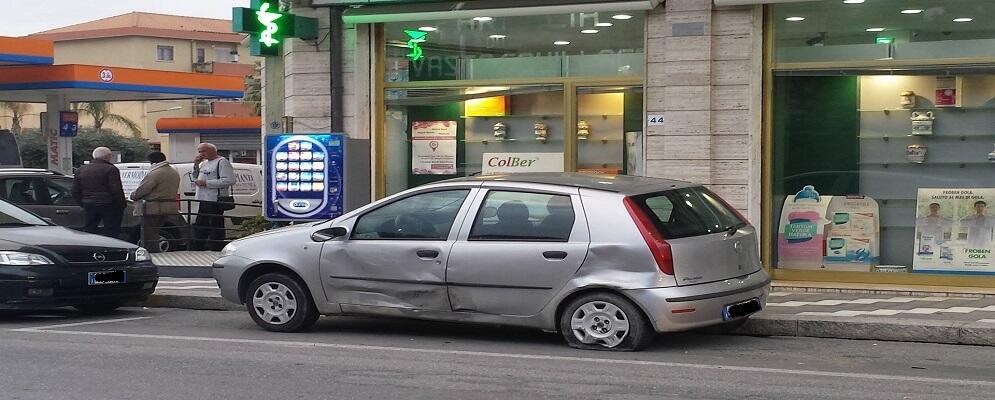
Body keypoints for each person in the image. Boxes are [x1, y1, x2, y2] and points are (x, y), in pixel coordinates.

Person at [130, 152, 180, 253]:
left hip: (152, 207)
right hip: (167, 206)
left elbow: (143, 189)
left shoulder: (156, 173)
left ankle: (152, 253)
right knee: (156, 230)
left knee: (149, 233)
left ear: (153, 161)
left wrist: (133, 195)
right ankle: (155, 251)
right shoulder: (173, 171)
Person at [72, 147, 126, 238]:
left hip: (88, 203)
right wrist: (122, 204)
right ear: (107, 156)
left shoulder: (81, 170)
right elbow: (116, 189)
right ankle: (110, 249)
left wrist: (82, 202)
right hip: (109, 204)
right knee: (111, 230)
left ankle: (89, 248)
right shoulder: (111, 169)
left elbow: (75, 190)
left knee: (89, 229)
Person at [192, 143, 235, 251]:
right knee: (201, 223)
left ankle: (216, 246)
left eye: (203, 151)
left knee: (214, 223)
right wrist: (196, 165)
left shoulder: (222, 162)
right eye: (199, 151)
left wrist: (207, 183)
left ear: (212, 151)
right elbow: (195, 177)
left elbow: (229, 180)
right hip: (203, 198)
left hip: (214, 198)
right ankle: (199, 245)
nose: (201, 154)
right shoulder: (204, 163)